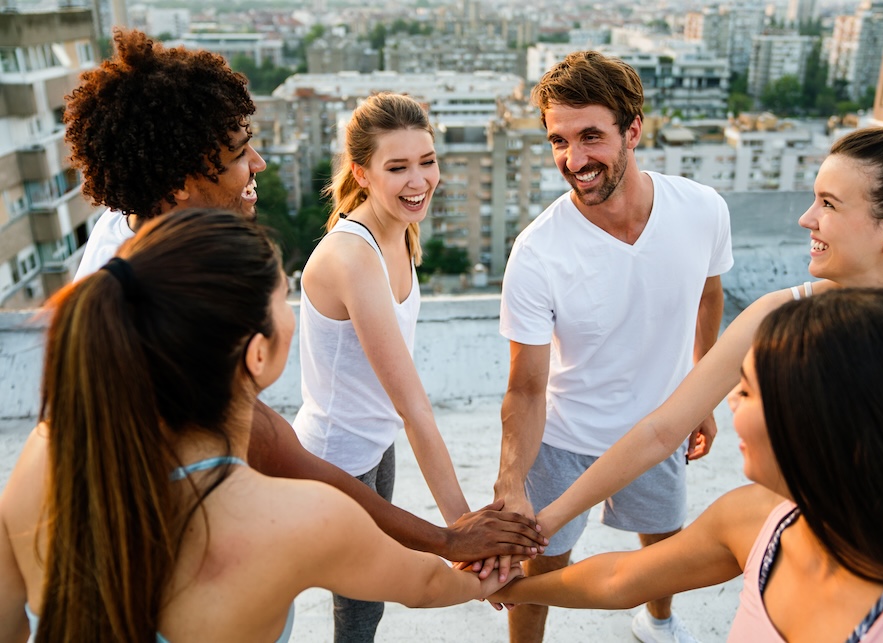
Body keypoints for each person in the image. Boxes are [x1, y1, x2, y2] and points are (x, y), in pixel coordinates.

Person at [65, 29, 546, 567]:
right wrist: (450, 540)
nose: (259, 163)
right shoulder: (155, 303)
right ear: (177, 182)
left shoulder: (134, 224)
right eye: (236, 152)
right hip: (151, 540)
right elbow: (278, 448)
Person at [0, 208, 523, 642]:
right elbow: (428, 585)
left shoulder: (43, 454)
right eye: (284, 298)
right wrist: (492, 575)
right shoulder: (299, 521)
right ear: (255, 354)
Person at [534, 123, 883, 560]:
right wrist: (543, 524)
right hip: (795, 581)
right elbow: (661, 431)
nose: (805, 218)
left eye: (829, 204)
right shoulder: (776, 315)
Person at [492, 289, 883, 642]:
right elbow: (620, 577)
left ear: (814, 417)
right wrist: (511, 587)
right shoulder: (758, 518)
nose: (731, 401)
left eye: (751, 389)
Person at [492, 50, 733, 643]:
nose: (574, 160)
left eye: (591, 137)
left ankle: (658, 625)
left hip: (660, 428)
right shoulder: (537, 251)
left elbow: (709, 297)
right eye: (558, 141)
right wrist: (509, 486)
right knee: (538, 578)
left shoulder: (702, 210)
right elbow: (525, 386)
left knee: (663, 555)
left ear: (633, 130)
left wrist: (700, 394)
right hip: (564, 443)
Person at [292, 92, 492, 642]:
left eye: (427, 162)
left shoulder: (400, 232)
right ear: (361, 171)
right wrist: (462, 529)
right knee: (351, 606)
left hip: (374, 448)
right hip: (334, 460)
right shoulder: (352, 256)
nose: (419, 180)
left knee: (364, 606)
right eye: (397, 167)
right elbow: (414, 408)